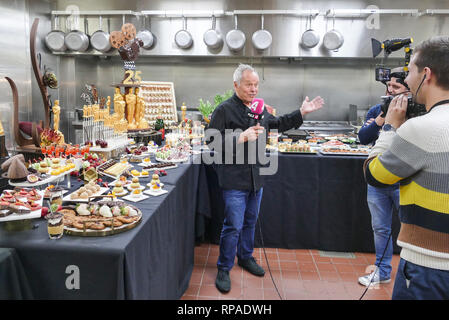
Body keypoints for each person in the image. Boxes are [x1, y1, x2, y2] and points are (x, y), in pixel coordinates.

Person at [208, 64, 324, 293]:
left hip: (256, 178)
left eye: (256, 85)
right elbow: (211, 141)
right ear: (236, 85)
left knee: (250, 222)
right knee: (233, 225)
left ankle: (245, 257)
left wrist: (302, 113)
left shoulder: (259, 109)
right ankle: (224, 267)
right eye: (248, 84)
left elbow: (278, 124)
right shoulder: (223, 110)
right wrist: (239, 137)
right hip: (233, 180)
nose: (253, 89)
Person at [364, 36, 449, 299]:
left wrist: (389, 128)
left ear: (427, 74)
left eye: (409, 70)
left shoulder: (422, 128)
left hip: (429, 265)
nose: (406, 80)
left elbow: (374, 173)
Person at [357, 68, 409, 287]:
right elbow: (362, 137)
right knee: (380, 228)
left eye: (396, 87)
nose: (390, 90)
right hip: (377, 182)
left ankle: (410, 275)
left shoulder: (417, 113)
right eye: (389, 86)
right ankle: (382, 271)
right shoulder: (378, 110)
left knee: (411, 228)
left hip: (405, 182)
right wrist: (381, 119)